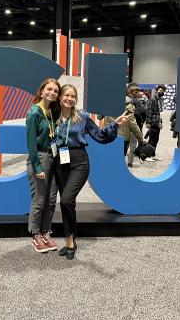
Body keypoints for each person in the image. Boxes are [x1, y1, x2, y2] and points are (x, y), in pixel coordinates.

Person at [53, 84, 127, 260]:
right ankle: (69, 240)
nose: (69, 98)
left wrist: (114, 125)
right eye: (66, 95)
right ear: (60, 97)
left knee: (66, 200)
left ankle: (71, 241)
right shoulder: (51, 116)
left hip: (79, 162)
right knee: (67, 204)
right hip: (60, 162)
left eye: (73, 96)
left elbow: (100, 136)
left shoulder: (82, 116)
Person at [26, 78, 61, 253]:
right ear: (41, 91)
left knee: (51, 200)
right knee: (39, 200)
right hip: (39, 157)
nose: (52, 93)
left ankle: (45, 232)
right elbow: (31, 144)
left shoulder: (51, 111)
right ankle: (35, 235)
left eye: (55, 91)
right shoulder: (34, 113)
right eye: (49, 89)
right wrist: (37, 167)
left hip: (53, 158)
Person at [145, 84, 166, 161]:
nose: (161, 92)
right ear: (157, 91)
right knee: (151, 139)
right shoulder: (153, 99)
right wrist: (148, 122)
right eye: (160, 90)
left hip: (158, 122)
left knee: (156, 139)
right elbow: (149, 111)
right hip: (153, 122)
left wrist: (161, 122)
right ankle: (147, 156)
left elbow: (160, 112)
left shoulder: (160, 100)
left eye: (163, 91)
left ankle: (153, 154)